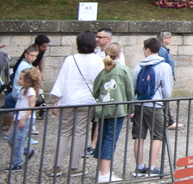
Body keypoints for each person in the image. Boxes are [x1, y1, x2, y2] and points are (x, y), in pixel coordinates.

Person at [50, 31, 105, 176]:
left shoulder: (70, 59)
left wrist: (55, 100)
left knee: (64, 132)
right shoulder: (98, 60)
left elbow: (61, 80)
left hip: (68, 100)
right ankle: (74, 167)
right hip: (87, 101)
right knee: (80, 133)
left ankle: (56, 166)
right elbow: (100, 82)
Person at [92, 43, 133, 183]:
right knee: (110, 139)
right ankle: (104, 173)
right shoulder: (124, 70)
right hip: (118, 109)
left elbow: (95, 91)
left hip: (103, 108)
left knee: (103, 137)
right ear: (119, 54)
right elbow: (129, 91)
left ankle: (102, 171)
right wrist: (131, 109)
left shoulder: (103, 72)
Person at [132, 37, 172, 177]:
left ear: (148, 50)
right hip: (155, 104)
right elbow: (167, 90)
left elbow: (133, 86)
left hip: (139, 103)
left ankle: (139, 167)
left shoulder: (139, 66)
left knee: (139, 136)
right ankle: (152, 167)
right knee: (157, 135)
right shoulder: (164, 66)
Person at [6, 66, 41, 172]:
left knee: (18, 140)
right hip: (18, 117)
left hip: (26, 118)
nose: (19, 80)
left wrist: (23, 119)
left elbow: (31, 106)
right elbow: (19, 105)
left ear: (27, 80)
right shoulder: (22, 90)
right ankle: (28, 151)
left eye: (21, 78)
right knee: (11, 139)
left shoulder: (30, 91)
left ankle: (17, 163)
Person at [155, 31, 177, 130]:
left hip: (167, 77)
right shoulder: (162, 50)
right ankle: (169, 121)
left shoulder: (164, 50)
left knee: (164, 100)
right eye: (169, 37)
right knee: (164, 99)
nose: (170, 38)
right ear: (163, 38)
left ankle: (168, 121)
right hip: (164, 78)